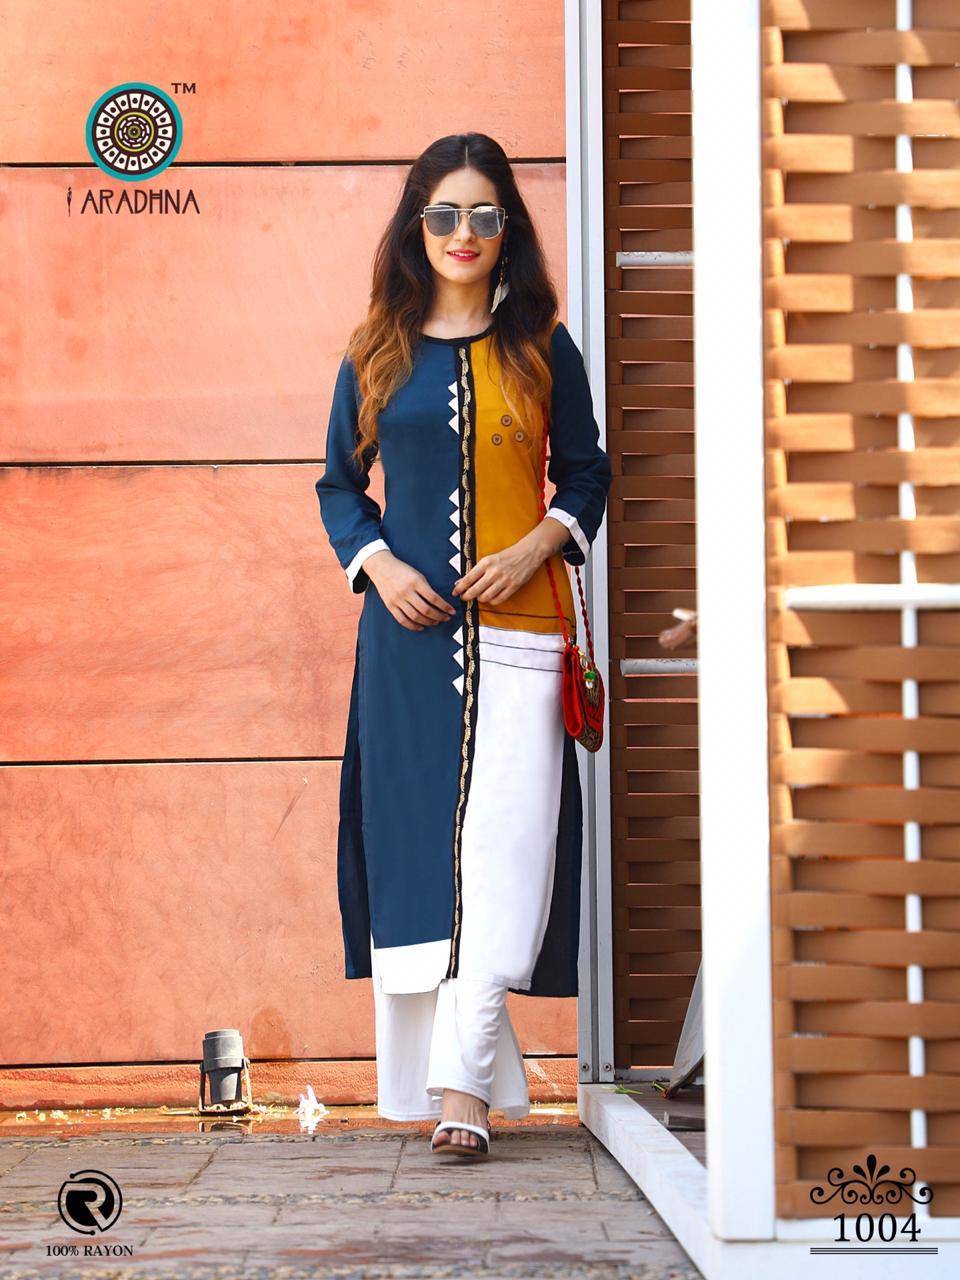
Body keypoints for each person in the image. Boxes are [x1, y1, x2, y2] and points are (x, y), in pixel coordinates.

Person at [315, 132, 612, 1158]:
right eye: (443, 213)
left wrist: (537, 544)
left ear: (507, 227)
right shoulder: (374, 348)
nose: (463, 232)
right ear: (417, 226)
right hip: (407, 651)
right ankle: (462, 1090)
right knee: (421, 860)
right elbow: (338, 487)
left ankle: (463, 1091)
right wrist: (379, 564)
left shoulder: (542, 345)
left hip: (524, 638)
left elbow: (587, 474)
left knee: (508, 855)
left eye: (485, 213)